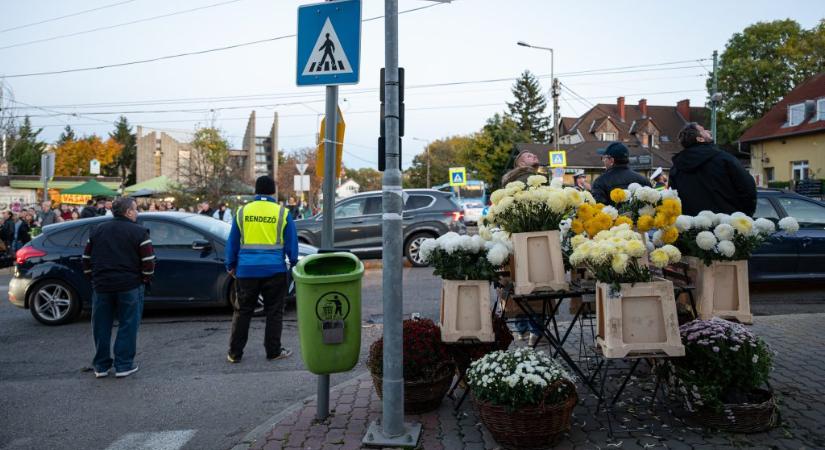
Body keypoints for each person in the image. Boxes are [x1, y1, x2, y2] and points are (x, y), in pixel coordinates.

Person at [225, 176, 297, 363]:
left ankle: (235, 353)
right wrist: (294, 262)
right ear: (273, 191)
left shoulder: (242, 211)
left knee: (243, 312)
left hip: (247, 271)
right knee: (274, 312)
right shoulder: (282, 212)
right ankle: (273, 351)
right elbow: (292, 243)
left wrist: (230, 265)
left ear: (256, 190)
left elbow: (232, 241)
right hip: (275, 270)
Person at [82, 198, 155, 378]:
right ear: (128, 212)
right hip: (129, 285)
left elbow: (86, 258)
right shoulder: (139, 232)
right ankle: (123, 365)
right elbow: (148, 261)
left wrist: (93, 277)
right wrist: (144, 280)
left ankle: (101, 366)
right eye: (135, 210)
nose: (137, 213)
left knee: (101, 326)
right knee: (128, 325)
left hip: (102, 286)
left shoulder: (97, 231)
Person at [500, 152, 543, 345]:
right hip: (535, 232)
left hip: (516, 234)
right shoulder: (530, 178)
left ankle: (522, 330)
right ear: (520, 163)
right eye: (527, 155)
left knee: (519, 279)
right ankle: (535, 331)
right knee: (538, 282)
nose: (532, 155)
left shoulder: (510, 181)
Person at [669, 123, 757, 216]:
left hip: (691, 226)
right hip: (726, 224)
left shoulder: (676, 167)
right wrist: (743, 214)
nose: (709, 131)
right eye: (703, 130)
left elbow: (673, 198)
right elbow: (748, 188)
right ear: (700, 139)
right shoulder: (724, 159)